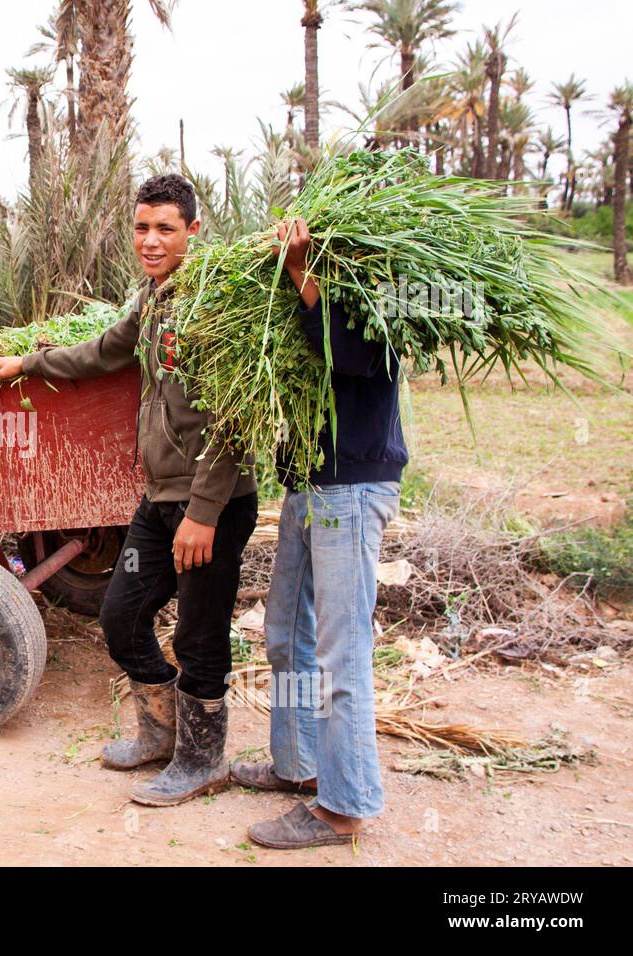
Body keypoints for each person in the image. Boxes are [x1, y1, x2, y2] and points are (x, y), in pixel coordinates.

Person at [0, 174, 258, 807]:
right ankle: (162, 733)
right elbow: (106, 351)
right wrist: (29, 363)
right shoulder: (154, 299)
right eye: (142, 227)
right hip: (159, 499)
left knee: (199, 635)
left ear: (194, 232)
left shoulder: (212, 307)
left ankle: (203, 760)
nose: (151, 239)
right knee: (120, 617)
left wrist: (204, 512)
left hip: (209, 507)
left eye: (166, 228)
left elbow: (235, 418)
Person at [233, 216, 408, 849]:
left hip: (352, 488)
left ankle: (345, 806)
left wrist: (302, 272)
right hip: (311, 483)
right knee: (287, 631)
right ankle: (300, 763)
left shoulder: (384, 287)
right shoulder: (321, 282)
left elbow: (352, 356)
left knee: (341, 651)